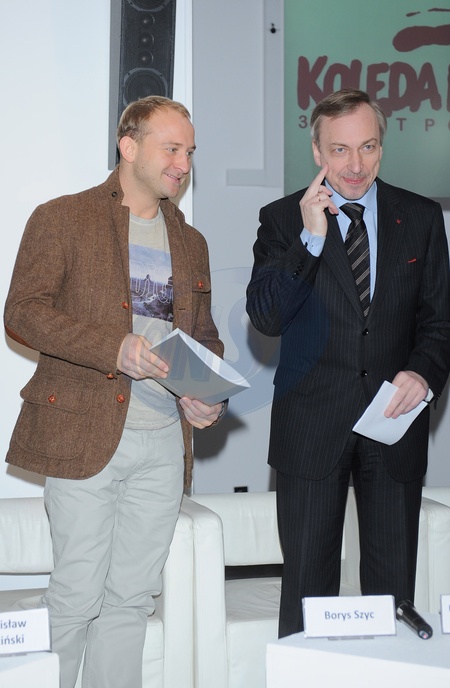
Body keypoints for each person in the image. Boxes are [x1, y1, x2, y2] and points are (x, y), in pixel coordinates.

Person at [4, 96, 225, 687]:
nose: (183, 164)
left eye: (190, 153)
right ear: (129, 146)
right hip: (85, 432)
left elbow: (202, 336)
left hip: (163, 442)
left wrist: (207, 393)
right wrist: (113, 348)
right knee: (75, 594)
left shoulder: (191, 241)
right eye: (171, 149)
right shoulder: (62, 217)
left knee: (131, 600)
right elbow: (22, 312)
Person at [246, 88, 450, 637]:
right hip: (311, 427)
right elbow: (266, 318)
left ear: (382, 147)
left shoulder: (421, 216)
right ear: (317, 151)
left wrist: (424, 371)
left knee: (393, 590)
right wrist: (311, 241)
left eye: (367, 147)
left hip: (394, 423)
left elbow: (439, 321)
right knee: (307, 588)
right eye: (339, 150)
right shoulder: (282, 220)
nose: (355, 165)